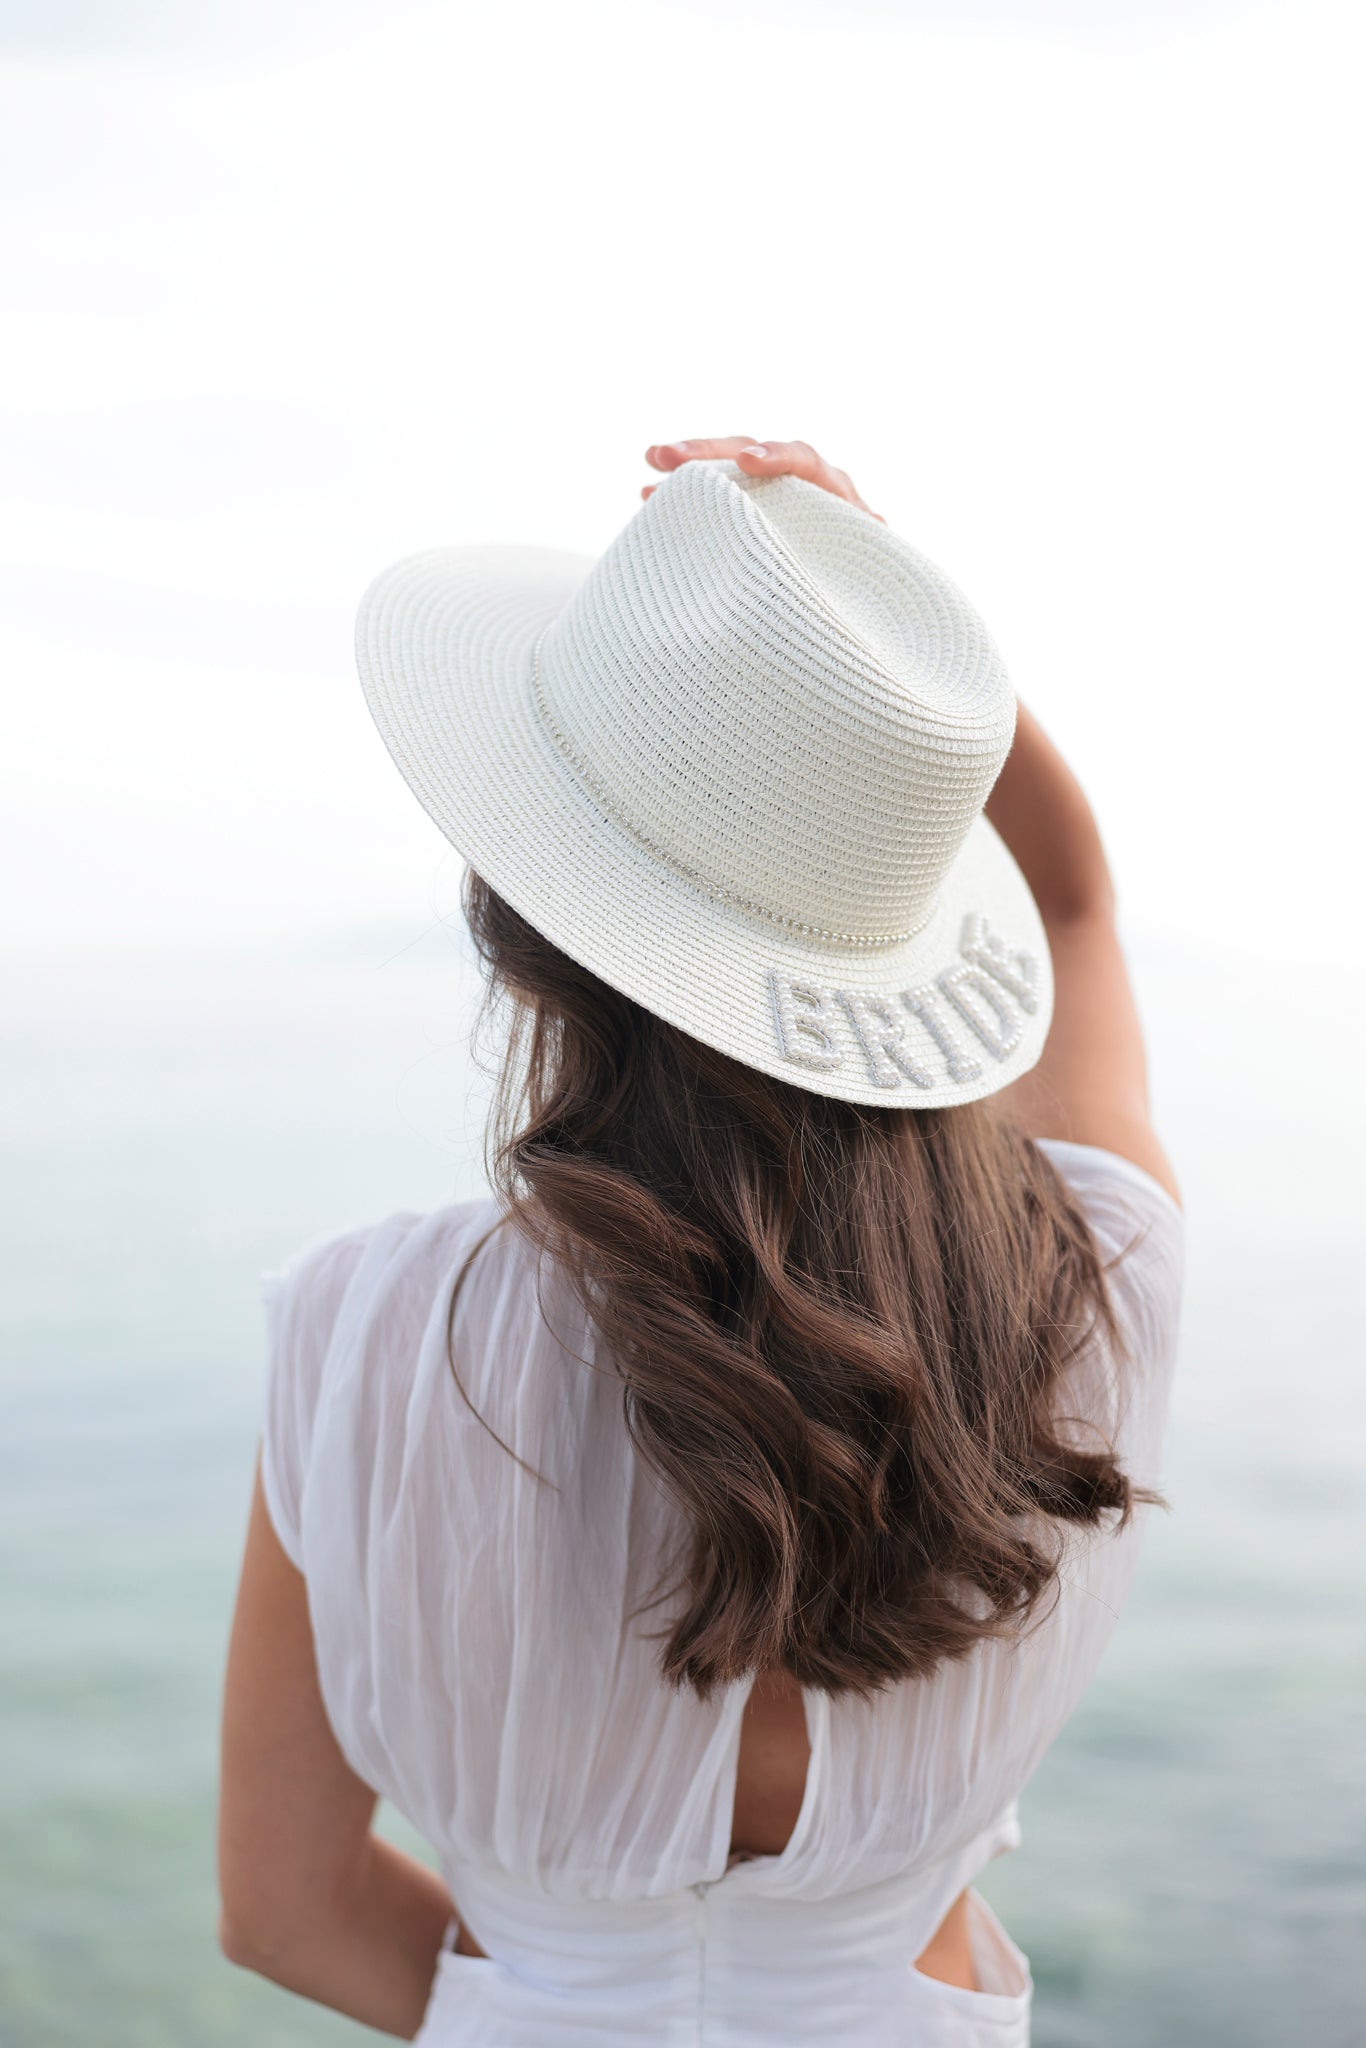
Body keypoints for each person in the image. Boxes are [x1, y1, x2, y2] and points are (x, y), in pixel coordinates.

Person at [217, 436, 1183, 2046]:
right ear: (902, 962)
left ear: (516, 928)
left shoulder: (356, 1334)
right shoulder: (1097, 1286)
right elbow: (1075, 910)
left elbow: (286, 1912)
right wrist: (893, 675)